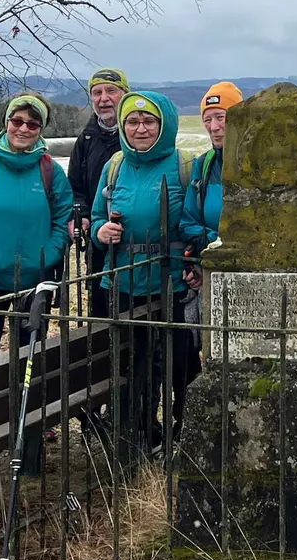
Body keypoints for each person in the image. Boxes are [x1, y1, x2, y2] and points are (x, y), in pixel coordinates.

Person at [91, 91, 196, 452]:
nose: (140, 129)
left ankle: (186, 434)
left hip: (170, 280)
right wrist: (101, 232)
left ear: (164, 125)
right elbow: (96, 218)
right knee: (131, 365)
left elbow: (194, 220)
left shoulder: (184, 165)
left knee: (179, 363)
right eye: (132, 121)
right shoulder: (115, 166)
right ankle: (138, 434)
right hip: (121, 279)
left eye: (149, 121)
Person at [0, 93, 75, 355]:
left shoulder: (51, 171)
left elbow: (64, 219)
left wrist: (48, 255)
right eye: (17, 121)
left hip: (35, 279)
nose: (23, 128)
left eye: (32, 124)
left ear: (41, 129)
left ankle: (22, 397)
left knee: (29, 355)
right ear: (6, 121)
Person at [68, 67, 130, 303]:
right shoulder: (86, 140)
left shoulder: (140, 133)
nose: (103, 99)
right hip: (98, 239)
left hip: (137, 239)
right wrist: (82, 215)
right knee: (100, 305)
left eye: (111, 91)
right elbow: (75, 187)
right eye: (96, 93)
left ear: (125, 94)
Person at [180, 81, 242, 265]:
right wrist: (215, 242)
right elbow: (188, 222)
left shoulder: (258, 166)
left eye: (220, 117)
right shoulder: (204, 164)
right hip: (213, 263)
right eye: (207, 120)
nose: (214, 127)